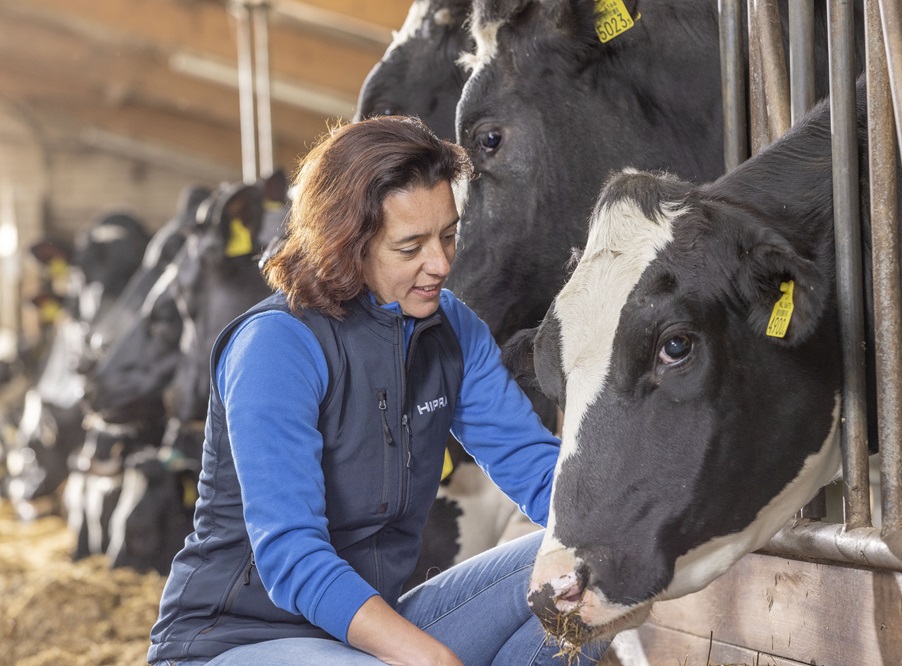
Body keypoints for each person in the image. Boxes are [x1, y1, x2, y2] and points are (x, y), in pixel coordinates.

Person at [147, 116, 609, 665]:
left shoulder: (451, 328)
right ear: (348, 242)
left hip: (363, 632)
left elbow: (533, 467)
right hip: (236, 641)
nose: (439, 264)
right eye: (409, 246)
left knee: (588, 569)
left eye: (448, 235)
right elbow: (291, 556)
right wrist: (430, 658)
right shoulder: (277, 345)